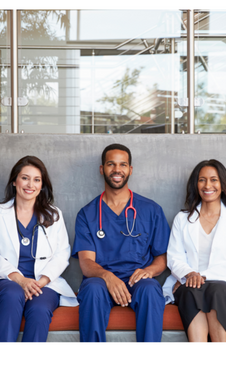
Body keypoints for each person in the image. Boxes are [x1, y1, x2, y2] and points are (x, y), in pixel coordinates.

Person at [72, 143, 170, 342]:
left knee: (151, 289)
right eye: (111, 164)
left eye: (123, 165)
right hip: (100, 281)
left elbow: (162, 257)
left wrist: (150, 271)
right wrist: (108, 276)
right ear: (102, 169)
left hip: (138, 280)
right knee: (91, 290)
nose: (117, 170)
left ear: (130, 170)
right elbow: (86, 263)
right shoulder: (87, 213)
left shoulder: (151, 210)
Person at [0, 156, 77, 342]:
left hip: (44, 283)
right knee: (12, 294)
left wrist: (39, 282)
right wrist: (19, 279)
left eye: (36, 179)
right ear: (14, 181)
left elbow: (62, 254)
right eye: (25, 178)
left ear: (42, 185)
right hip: (7, 280)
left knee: (40, 309)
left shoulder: (54, 214)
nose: (30, 184)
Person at [163, 160, 226, 342]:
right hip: (189, 283)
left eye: (214, 180)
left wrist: (200, 275)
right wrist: (189, 275)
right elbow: (174, 257)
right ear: (195, 184)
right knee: (191, 291)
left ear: (223, 184)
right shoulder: (182, 219)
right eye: (202, 180)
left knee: (216, 290)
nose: (208, 185)